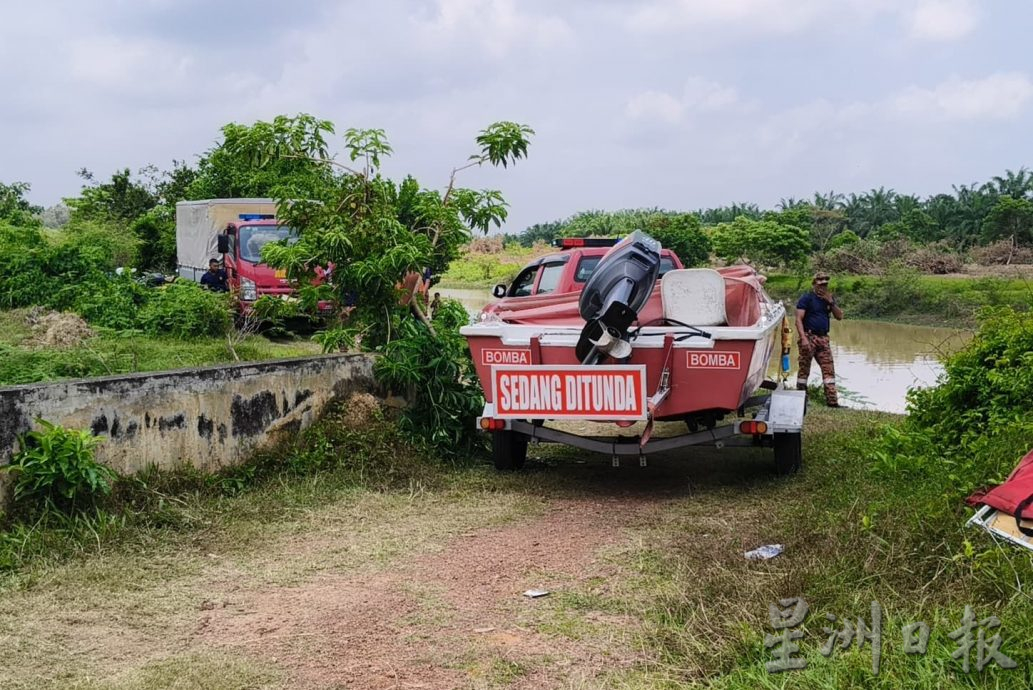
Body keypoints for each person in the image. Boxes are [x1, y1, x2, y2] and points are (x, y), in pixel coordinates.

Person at [795, 272, 844, 407]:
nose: (823, 285)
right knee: (804, 369)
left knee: (829, 369)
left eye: (825, 283)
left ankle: (832, 402)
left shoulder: (829, 299)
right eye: (820, 282)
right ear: (814, 284)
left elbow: (840, 316)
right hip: (809, 337)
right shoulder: (807, 298)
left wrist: (831, 302)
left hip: (823, 338)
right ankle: (801, 399)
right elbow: (798, 319)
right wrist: (803, 338)